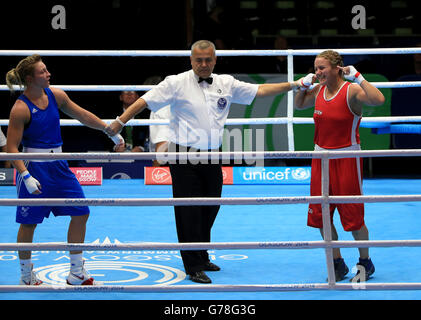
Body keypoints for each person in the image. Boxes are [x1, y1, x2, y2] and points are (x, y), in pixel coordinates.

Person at [105, 39, 310, 283]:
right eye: (198, 60)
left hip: (214, 153)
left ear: (215, 60)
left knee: (211, 206)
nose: (203, 64)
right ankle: (192, 266)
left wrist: (295, 85)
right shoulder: (175, 82)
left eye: (208, 60)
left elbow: (261, 91)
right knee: (188, 211)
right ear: (191, 61)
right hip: (183, 154)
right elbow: (144, 101)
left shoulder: (226, 83)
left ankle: (201, 255)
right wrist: (120, 120)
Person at [5, 54, 124, 285]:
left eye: (47, 70)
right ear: (30, 78)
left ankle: (76, 272)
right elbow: (11, 147)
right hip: (34, 167)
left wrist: (107, 129)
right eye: (42, 72)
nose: (48, 74)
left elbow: (82, 115)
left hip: (59, 165)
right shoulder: (20, 108)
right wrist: (25, 175)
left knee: (81, 212)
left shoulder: (56, 95)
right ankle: (26, 275)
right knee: (29, 223)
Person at [294, 50, 385, 282]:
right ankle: (337, 262)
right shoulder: (318, 90)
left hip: (346, 158)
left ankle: (366, 262)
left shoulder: (352, 90)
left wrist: (360, 78)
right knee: (321, 216)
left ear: (337, 68)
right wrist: (302, 87)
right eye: (316, 68)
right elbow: (299, 105)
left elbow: (379, 100)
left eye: (322, 68)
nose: (318, 72)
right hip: (320, 158)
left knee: (353, 219)